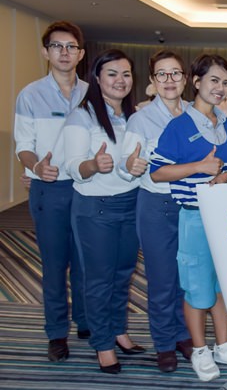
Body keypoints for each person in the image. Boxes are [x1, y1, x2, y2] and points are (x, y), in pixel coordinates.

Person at [149, 54, 227, 381]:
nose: (220, 88)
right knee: (197, 289)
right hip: (194, 219)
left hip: (225, 219)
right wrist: (198, 167)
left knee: (222, 285)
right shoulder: (178, 126)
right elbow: (157, 172)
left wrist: (226, 176)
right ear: (196, 82)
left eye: (225, 83)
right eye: (214, 81)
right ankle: (199, 349)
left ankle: (223, 344)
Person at [13, 20, 89, 362]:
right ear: (46, 52)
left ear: (80, 54)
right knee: (56, 266)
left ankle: (86, 320)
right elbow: (23, 146)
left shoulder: (92, 93)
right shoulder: (30, 95)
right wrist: (36, 168)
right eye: (57, 46)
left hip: (87, 189)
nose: (64, 52)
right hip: (49, 190)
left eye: (71, 46)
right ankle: (57, 333)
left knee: (87, 262)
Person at [63, 49, 143, 374]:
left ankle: (118, 330)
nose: (120, 80)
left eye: (126, 74)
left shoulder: (133, 116)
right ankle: (103, 343)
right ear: (97, 78)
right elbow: (71, 165)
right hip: (95, 207)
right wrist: (93, 165)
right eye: (112, 73)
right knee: (99, 279)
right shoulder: (82, 116)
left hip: (131, 203)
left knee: (123, 275)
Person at [118, 50, 192, 373]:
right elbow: (126, 165)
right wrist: (130, 165)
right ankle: (164, 343)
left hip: (190, 206)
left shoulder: (196, 113)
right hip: (156, 206)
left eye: (175, 73)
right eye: (162, 74)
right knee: (162, 280)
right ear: (152, 81)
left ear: (185, 79)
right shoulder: (141, 118)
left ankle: (182, 334)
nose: (169, 80)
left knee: (185, 279)